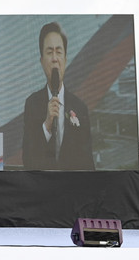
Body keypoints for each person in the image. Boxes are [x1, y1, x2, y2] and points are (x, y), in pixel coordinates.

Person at [22, 22, 94, 170]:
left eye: (59, 52)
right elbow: (27, 160)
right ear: (42, 61)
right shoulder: (32, 104)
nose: (54, 58)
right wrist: (46, 126)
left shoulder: (80, 108)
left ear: (65, 59)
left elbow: (88, 164)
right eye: (49, 52)